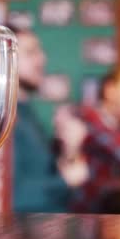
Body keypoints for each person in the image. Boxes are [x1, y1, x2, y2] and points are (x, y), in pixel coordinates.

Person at [55, 66, 120, 211]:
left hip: (98, 221)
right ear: (110, 90)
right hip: (79, 223)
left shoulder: (114, 128)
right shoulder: (89, 120)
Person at [13, 30, 85, 212]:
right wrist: (66, 180)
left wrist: (71, 148)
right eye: (31, 52)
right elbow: (9, 196)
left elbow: (47, 175)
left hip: (48, 227)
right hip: (21, 235)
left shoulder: (26, 112)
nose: (42, 59)